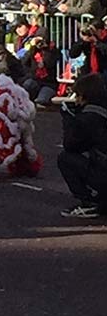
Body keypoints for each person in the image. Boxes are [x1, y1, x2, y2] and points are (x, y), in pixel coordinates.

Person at [58, 73, 107, 218]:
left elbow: (70, 145)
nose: (77, 100)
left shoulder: (89, 118)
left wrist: (69, 119)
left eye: (78, 96)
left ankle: (90, 202)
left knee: (66, 159)